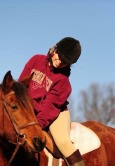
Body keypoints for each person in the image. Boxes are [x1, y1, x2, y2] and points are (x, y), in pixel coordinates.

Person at [18, 37, 85, 166]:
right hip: (29, 109)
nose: (60, 62)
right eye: (59, 57)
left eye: (65, 62)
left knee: (62, 142)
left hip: (55, 114)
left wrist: (37, 125)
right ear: (55, 50)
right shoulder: (36, 60)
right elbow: (21, 86)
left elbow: (49, 108)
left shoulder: (63, 82)